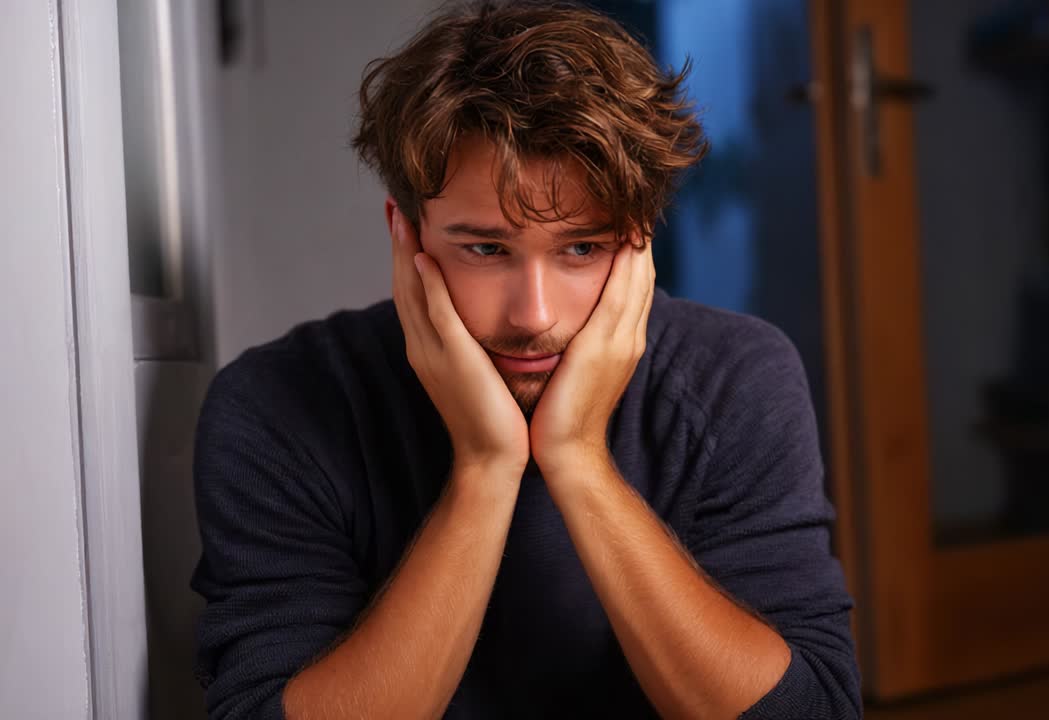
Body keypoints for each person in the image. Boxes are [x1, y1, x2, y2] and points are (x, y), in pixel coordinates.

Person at [189, 2, 861, 718]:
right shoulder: (278, 403)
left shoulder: (736, 378)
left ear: (640, 240)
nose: (534, 316)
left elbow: (812, 710)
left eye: (581, 248)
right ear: (405, 233)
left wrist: (579, 461)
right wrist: (484, 470)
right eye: (486, 249)